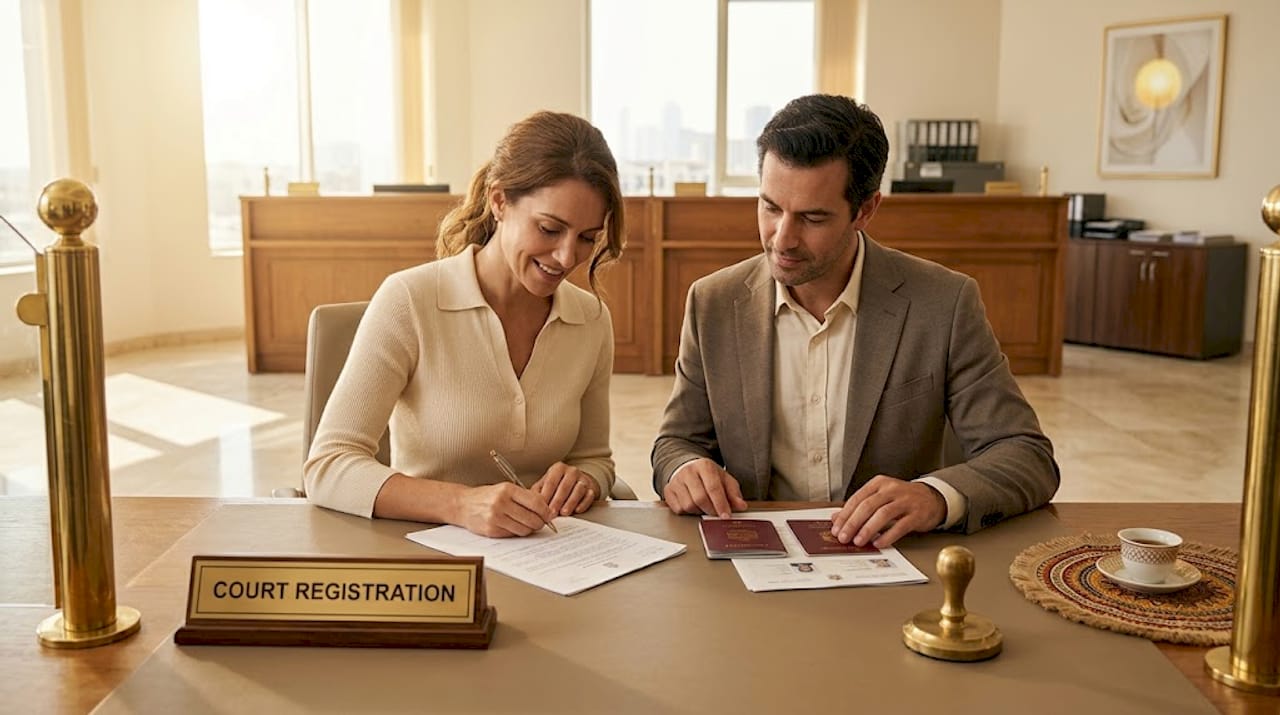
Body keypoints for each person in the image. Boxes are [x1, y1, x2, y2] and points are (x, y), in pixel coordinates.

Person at [651, 94, 1058, 547]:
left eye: (812, 217)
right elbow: (675, 444)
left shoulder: (943, 302)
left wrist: (934, 497)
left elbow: (1026, 455)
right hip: (754, 562)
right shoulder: (713, 302)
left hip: (893, 560)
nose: (782, 239)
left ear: (865, 210)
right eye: (770, 207)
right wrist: (684, 469)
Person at [305, 111, 625, 537]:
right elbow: (328, 465)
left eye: (587, 238)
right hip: (429, 563)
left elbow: (595, 458)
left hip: (551, 557)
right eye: (550, 229)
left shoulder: (591, 321)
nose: (568, 258)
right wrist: (459, 504)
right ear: (499, 202)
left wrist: (586, 479)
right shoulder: (410, 301)